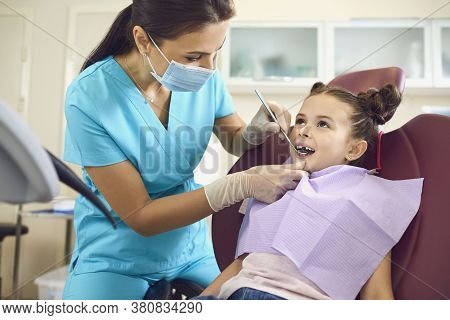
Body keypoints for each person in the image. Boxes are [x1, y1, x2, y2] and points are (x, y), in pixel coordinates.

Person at [62, 0, 307, 300]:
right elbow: (142, 215)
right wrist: (239, 185)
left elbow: (232, 138)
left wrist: (253, 132)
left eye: (216, 51)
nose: (210, 68)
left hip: (190, 249)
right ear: (143, 41)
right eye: (193, 56)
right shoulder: (89, 97)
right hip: (116, 257)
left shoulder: (206, 77)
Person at [195, 81, 414, 300]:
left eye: (323, 124)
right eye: (300, 120)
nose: (304, 131)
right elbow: (243, 263)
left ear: (354, 149)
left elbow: (377, 296)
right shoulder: (273, 187)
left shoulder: (365, 203)